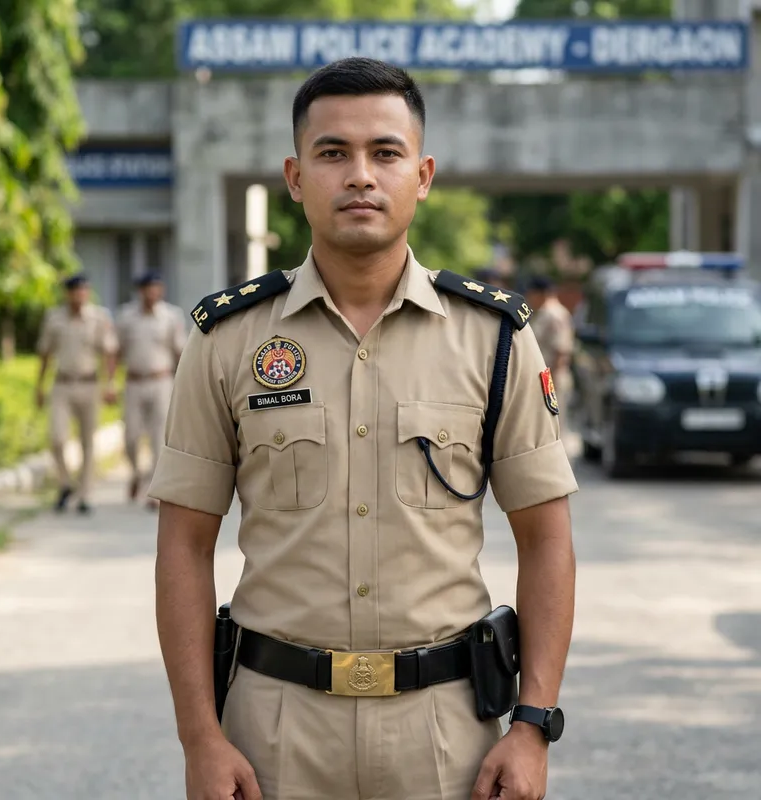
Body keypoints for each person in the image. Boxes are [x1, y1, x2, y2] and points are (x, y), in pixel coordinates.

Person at [149, 58, 578, 800]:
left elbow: (547, 539)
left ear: (424, 174)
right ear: (293, 176)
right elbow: (184, 546)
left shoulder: (494, 338)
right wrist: (200, 738)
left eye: (385, 153)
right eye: (332, 153)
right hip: (273, 732)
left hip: (446, 736)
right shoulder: (228, 341)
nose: (360, 176)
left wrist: (532, 726)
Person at [36, 273, 118, 514]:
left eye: (84, 290)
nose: (80, 295)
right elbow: (45, 354)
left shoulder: (98, 317)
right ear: (68, 293)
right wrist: (39, 387)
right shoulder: (54, 318)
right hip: (62, 384)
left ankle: (85, 494)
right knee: (57, 439)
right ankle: (64, 484)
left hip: (89, 384)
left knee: (87, 442)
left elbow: (109, 352)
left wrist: (110, 383)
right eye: (76, 290)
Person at [115, 271, 187, 509]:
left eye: (157, 288)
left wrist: (185, 383)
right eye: (148, 288)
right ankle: (137, 473)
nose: (152, 293)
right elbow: (116, 352)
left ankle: (154, 491)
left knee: (159, 437)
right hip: (134, 382)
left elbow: (181, 352)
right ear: (141, 291)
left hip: (161, 381)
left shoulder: (170, 316)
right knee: (131, 436)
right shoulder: (126, 316)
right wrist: (110, 382)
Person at [524, 276, 576, 437]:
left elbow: (561, 350)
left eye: (531, 294)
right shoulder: (545, 313)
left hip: (553, 380)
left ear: (540, 294)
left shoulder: (554, 314)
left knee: (554, 429)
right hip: (545, 379)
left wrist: (549, 383)